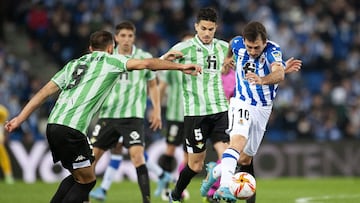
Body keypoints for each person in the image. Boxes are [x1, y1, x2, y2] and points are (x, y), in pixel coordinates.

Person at [5, 30, 201, 203]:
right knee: (87, 182)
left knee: (78, 177)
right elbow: (148, 63)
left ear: (90, 48)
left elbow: (43, 93)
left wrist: (19, 119)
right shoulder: (112, 60)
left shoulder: (73, 64)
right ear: (110, 48)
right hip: (72, 129)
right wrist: (181, 67)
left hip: (53, 125)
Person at [200, 21, 298, 203]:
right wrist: (228, 59)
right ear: (244, 41)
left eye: (256, 47)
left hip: (262, 108)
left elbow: (279, 74)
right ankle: (225, 187)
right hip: (241, 102)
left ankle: (215, 171)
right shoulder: (238, 43)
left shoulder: (272, 50)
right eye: (249, 47)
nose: (253, 51)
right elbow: (232, 44)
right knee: (237, 142)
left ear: (265, 42)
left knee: (245, 159)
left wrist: (263, 79)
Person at [88, 21, 171, 202]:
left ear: (134, 37)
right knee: (91, 159)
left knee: (137, 156)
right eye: (123, 36)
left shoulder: (143, 56)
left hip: (132, 117)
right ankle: (84, 197)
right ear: (116, 38)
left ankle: (146, 200)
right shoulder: (107, 57)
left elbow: (152, 85)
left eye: (130, 36)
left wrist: (156, 110)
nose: (126, 40)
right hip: (108, 116)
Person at [167, 7, 231, 203]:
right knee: (195, 165)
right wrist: (178, 66)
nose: (206, 33)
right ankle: (176, 194)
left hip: (220, 110)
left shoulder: (223, 47)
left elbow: (234, 65)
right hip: (196, 114)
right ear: (196, 26)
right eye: (203, 28)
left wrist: (230, 65)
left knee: (228, 156)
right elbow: (160, 63)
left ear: (216, 28)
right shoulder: (184, 48)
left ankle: (218, 191)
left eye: (210, 29)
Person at [0, 104, 14, 184]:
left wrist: (3, 136)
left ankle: (8, 174)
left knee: (3, 155)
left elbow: (3, 124)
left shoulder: (2, 111)